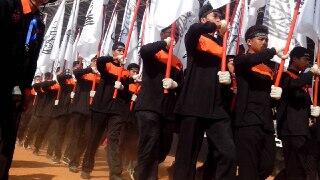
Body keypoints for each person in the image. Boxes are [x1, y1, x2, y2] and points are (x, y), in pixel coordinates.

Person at [173, 4, 236, 180]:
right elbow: (194, 29)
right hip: (193, 104)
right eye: (215, 15)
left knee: (228, 153)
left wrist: (229, 78)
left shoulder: (222, 45)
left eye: (221, 17)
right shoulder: (195, 38)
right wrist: (215, 26)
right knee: (187, 157)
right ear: (203, 19)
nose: (220, 19)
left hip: (217, 108)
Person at [0, 0, 57, 178]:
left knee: (7, 140)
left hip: (16, 88)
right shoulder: (7, 6)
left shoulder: (38, 22)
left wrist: (26, 88)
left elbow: (32, 58)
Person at [233, 24, 288, 180]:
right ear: (249, 42)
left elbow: (267, 96)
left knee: (267, 165)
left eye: (266, 40)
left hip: (266, 123)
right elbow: (253, 59)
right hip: (247, 122)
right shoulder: (241, 60)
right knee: (248, 168)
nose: (264, 42)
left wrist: (276, 97)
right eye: (261, 39)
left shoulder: (268, 69)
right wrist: (273, 52)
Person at [81, 42, 130, 180]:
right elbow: (101, 61)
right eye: (119, 50)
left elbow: (126, 96)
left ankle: (115, 173)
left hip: (116, 111)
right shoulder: (106, 65)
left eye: (123, 50)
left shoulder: (125, 73)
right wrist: (114, 59)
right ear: (113, 51)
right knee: (94, 138)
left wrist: (122, 88)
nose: (121, 52)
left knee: (113, 140)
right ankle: (86, 167)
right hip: (100, 108)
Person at [275, 46, 320, 180]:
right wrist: (311, 73)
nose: (307, 63)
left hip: (302, 129)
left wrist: (313, 110)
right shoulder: (284, 75)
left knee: (301, 167)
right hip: (291, 129)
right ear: (294, 59)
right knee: (294, 166)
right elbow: (293, 85)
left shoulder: (301, 78)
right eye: (305, 59)